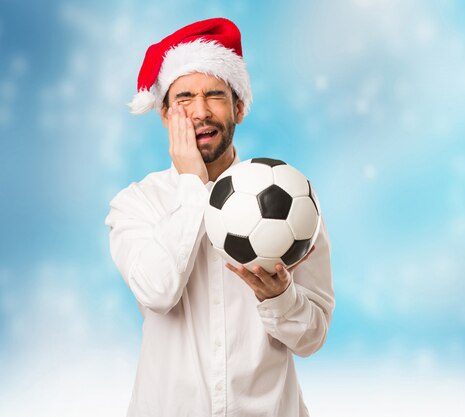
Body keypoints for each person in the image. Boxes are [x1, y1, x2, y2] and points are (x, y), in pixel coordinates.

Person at [104, 18, 334, 417]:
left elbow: (311, 338)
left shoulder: (294, 202)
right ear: (164, 114)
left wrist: (279, 298)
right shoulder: (137, 204)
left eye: (215, 95)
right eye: (184, 99)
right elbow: (157, 292)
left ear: (239, 108)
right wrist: (193, 185)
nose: (201, 112)